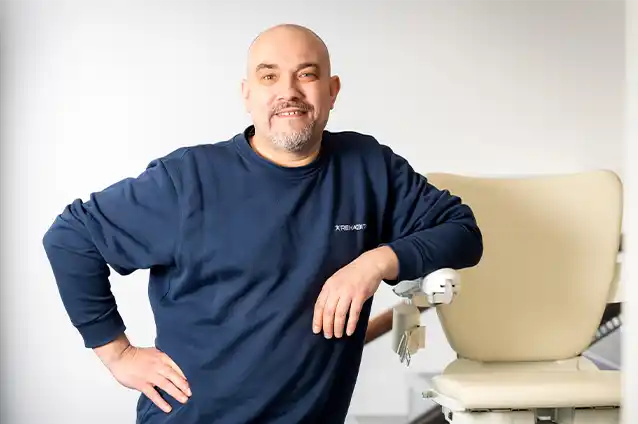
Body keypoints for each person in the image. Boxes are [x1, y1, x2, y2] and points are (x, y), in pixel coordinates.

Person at [42, 23, 483, 424]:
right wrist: (118, 354)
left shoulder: (368, 167)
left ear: (332, 91)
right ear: (247, 94)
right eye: (269, 76)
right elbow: (71, 237)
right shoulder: (188, 180)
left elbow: (462, 231)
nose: (288, 91)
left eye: (306, 74)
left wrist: (376, 262)